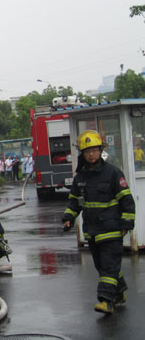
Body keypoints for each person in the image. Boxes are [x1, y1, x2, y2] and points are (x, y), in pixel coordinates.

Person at [62, 130, 135, 315]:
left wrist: (127, 222)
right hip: (93, 232)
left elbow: (126, 200)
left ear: (100, 151)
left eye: (94, 150)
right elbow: (74, 202)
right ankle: (119, 292)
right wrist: (68, 218)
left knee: (109, 266)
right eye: (88, 151)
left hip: (112, 230)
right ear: (82, 154)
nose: (91, 154)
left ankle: (106, 301)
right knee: (103, 267)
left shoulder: (113, 173)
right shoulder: (80, 178)